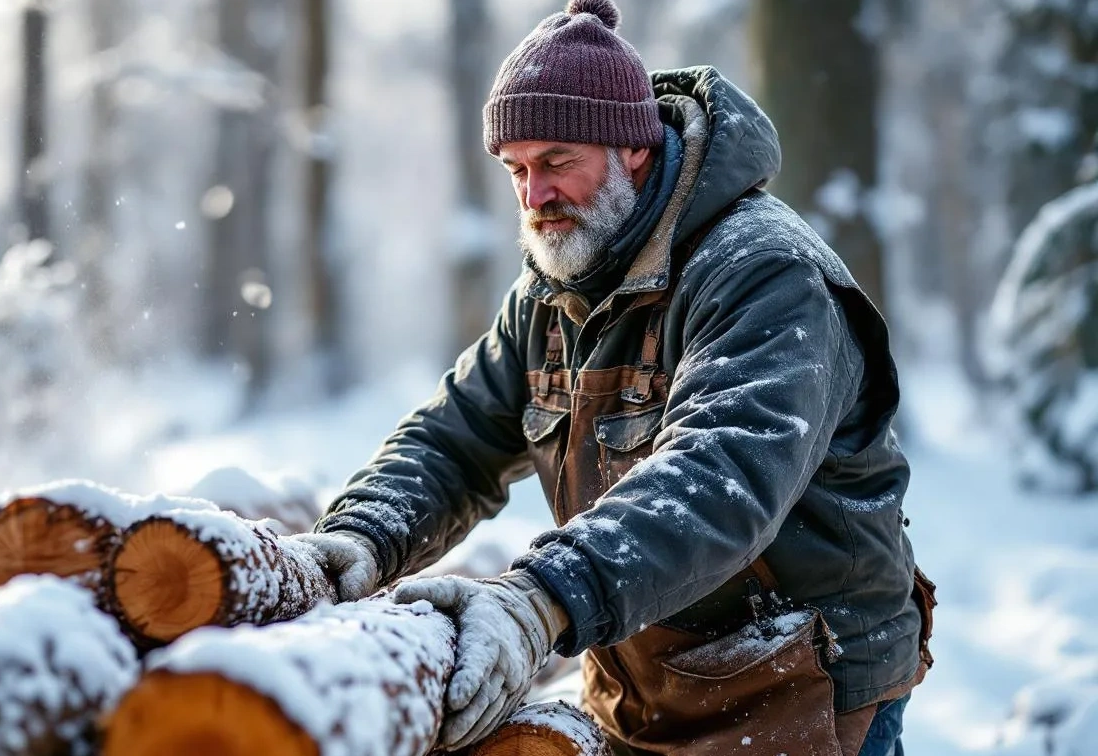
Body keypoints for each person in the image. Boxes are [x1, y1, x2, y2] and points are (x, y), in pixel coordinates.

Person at [292, 0, 934, 753]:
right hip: (643, 685)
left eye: (557, 161)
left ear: (633, 147)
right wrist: (363, 534)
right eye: (517, 169)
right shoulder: (555, 285)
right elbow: (456, 438)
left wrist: (545, 596)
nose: (534, 196)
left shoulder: (764, 272)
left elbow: (720, 476)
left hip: (798, 685)